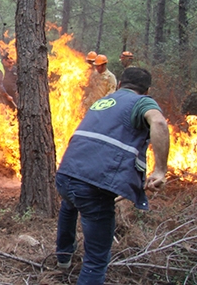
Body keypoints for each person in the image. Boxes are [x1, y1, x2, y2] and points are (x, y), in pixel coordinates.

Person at [55, 67, 169, 284]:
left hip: (65, 173)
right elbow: (159, 122)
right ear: (147, 90)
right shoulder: (142, 102)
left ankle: (63, 257)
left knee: (68, 205)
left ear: (119, 84)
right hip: (92, 185)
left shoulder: (103, 102)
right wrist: (160, 170)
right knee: (97, 259)